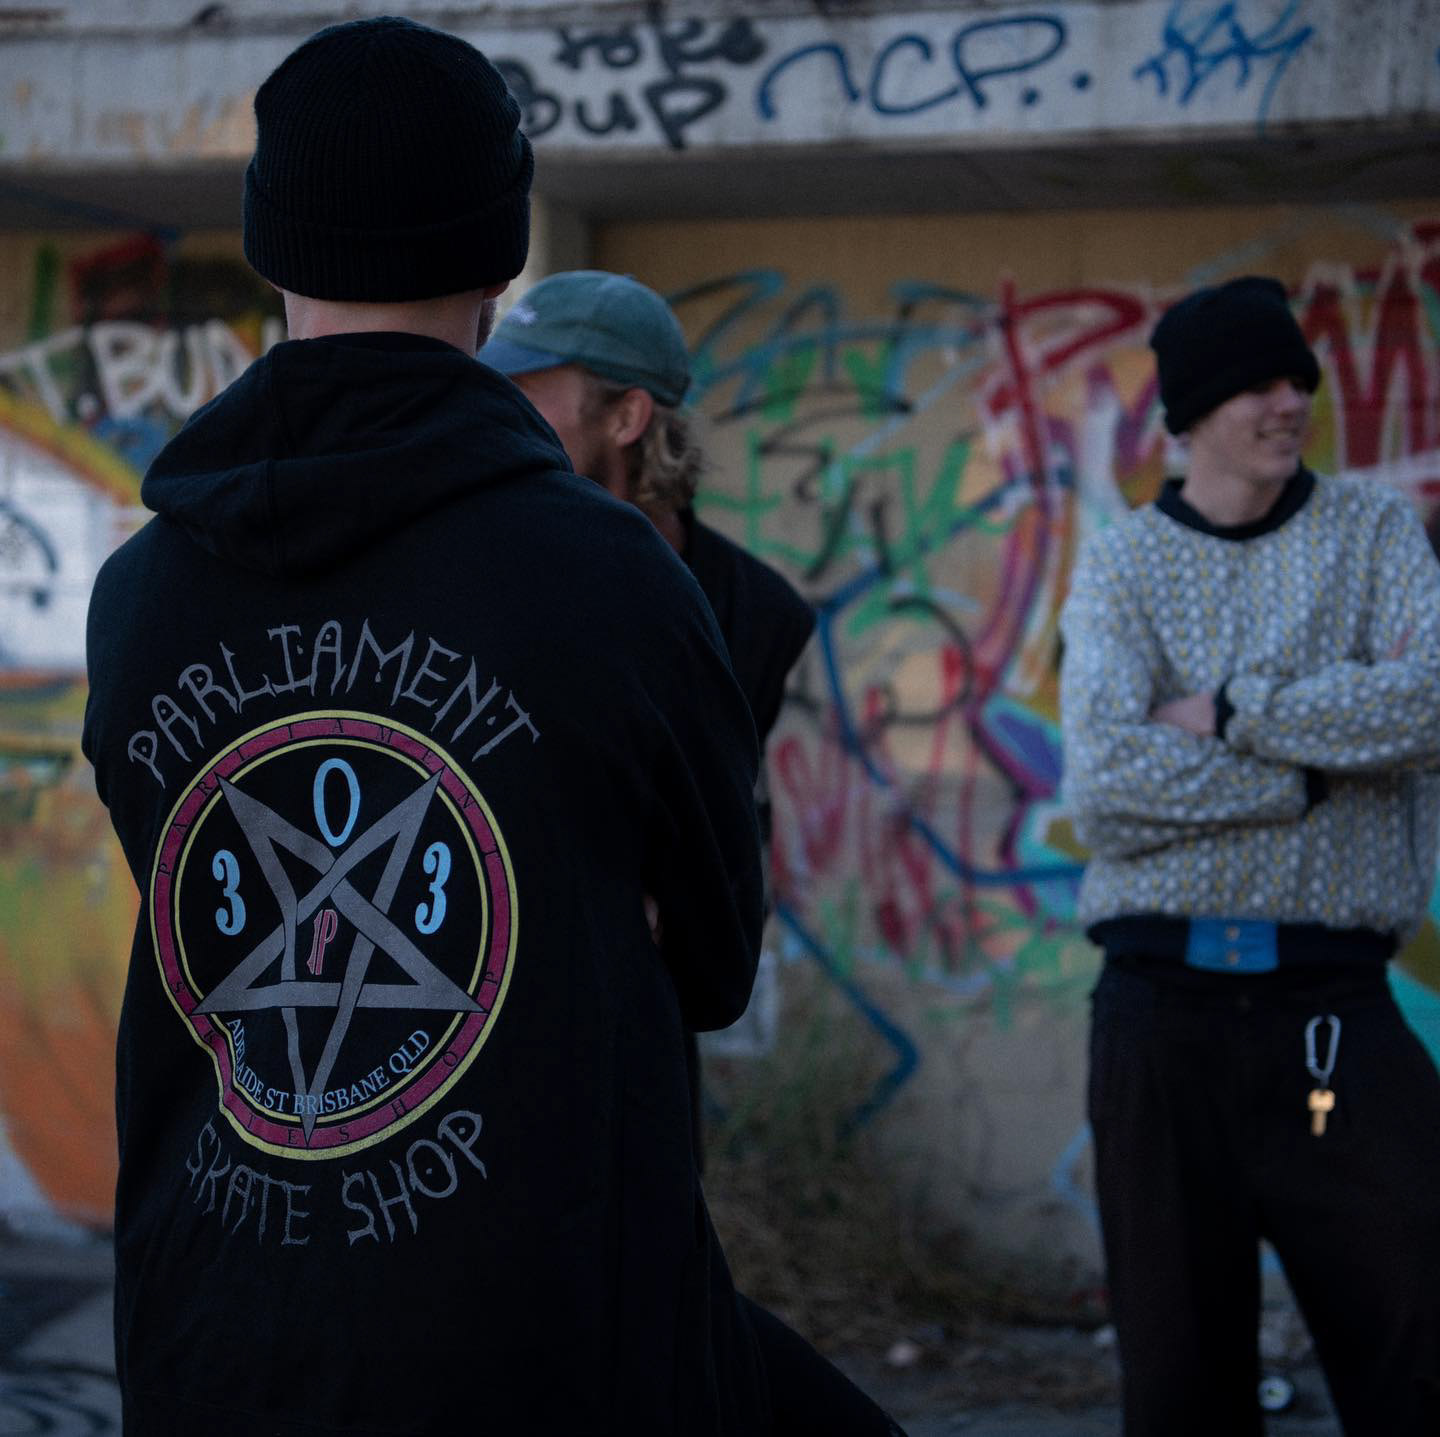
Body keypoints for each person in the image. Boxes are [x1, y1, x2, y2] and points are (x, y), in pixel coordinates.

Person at [81, 18, 896, 1436]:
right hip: (541, 1341)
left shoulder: (141, 593)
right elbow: (712, 960)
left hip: (215, 1332)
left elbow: (225, 937)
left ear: (271, 250)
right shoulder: (614, 578)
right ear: (498, 259)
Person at [1060, 274, 1440, 1435]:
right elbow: (1106, 786)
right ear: (1192, 414)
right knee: (1181, 1387)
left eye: (1297, 380)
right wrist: (1316, 773)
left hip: (1334, 1018)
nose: (1290, 403)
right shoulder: (1126, 564)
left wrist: (1233, 710)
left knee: (1417, 1345)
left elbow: (1429, 702)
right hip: (1159, 1022)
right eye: (1258, 385)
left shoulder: (1374, 532)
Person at [478, 270, 816, 1164]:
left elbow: (706, 865)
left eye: (528, 393)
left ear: (627, 417)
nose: (499, 417)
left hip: (638, 1047)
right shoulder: (484, 576)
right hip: (487, 1040)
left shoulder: (752, 614)